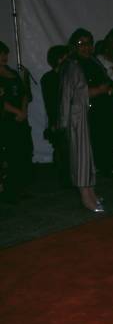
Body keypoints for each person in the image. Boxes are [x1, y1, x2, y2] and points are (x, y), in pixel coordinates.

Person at [59, 29, 113, 211]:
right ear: (74, 45)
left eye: (89, 43)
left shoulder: (93, 61)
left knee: (89, 156)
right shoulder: (72, 65)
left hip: (93, 114)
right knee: (81, 157)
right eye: (81, 43)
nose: (86, 47)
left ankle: (91, 192)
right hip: (79, 116)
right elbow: (75, 94)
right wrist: (100, 90)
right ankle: (86, 196)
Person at [0, 40, 33, 203]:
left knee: (24, 152)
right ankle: (9, 189)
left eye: (5, 53)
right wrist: (16, 111)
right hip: (6, 120)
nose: (4, 57)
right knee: (9, 154)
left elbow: (24, 93)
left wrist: (23, 110)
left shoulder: (12, 72)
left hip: (20, 119)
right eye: (1, 54)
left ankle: (22, 187)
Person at [41, 45, 70, 185]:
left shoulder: (69, 76)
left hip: (70, 118)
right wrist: (53, 122)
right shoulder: (48, 78)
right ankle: (64, 178)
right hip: (58, 119)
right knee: (62, 148)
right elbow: (50, 103)